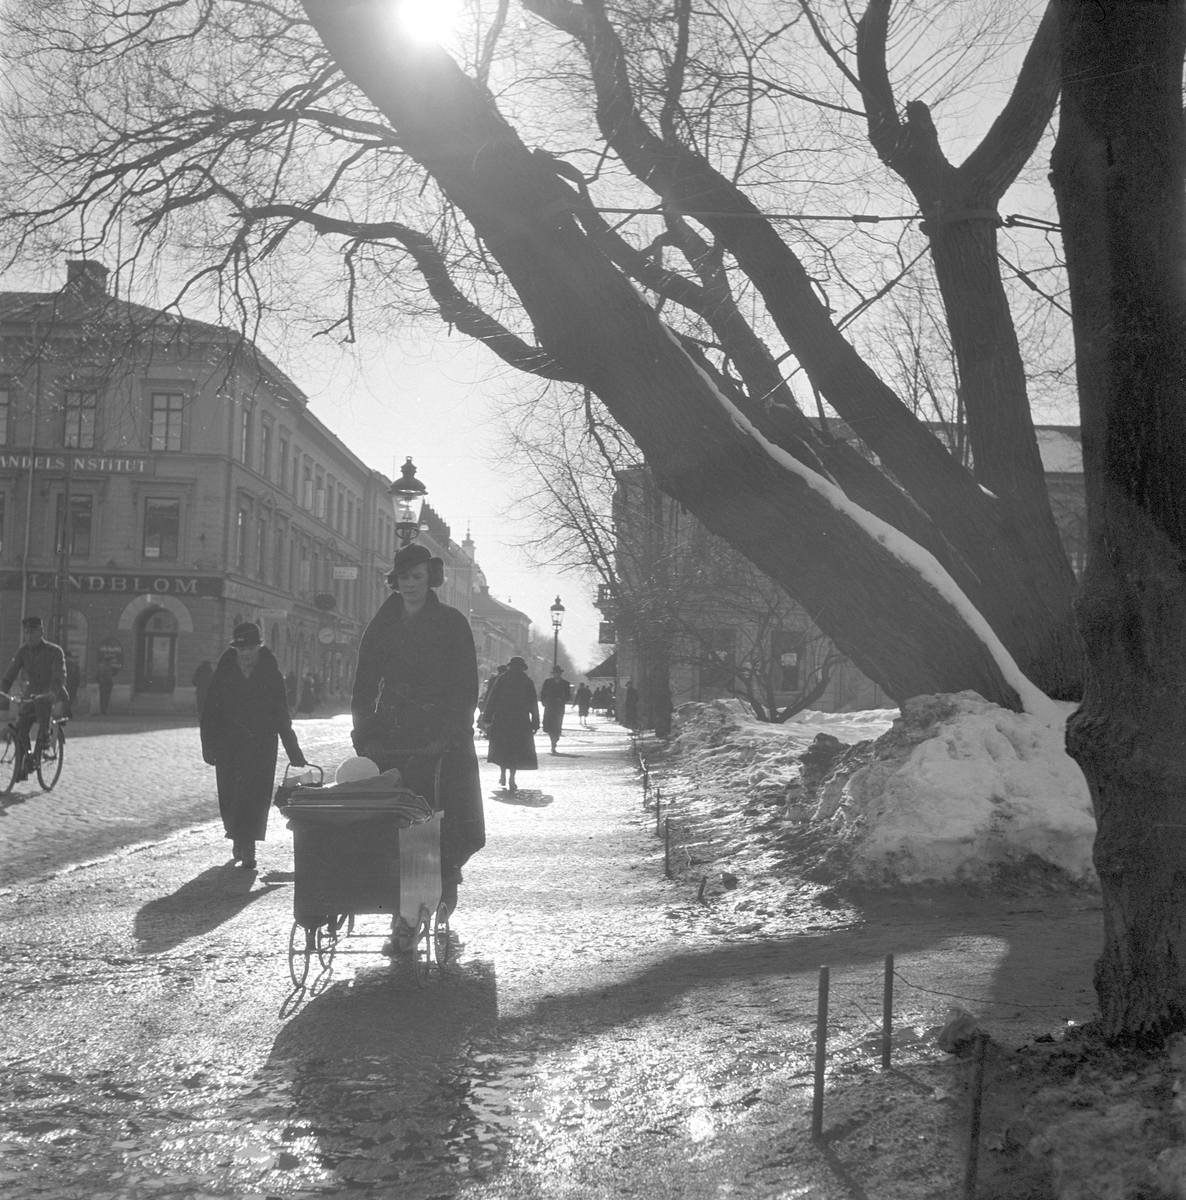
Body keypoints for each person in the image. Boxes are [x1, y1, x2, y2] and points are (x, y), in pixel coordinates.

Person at [351, 542, 484, 916]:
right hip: (392, 736)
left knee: (446, 814)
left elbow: (465, 687)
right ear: (395, 580)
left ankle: (447, 878)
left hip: (440, 736)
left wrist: (449, 735)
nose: (410, 584)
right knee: (390, 820)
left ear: (430, 578)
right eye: (403, 577)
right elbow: (363, 688)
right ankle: (400, 902)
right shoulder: (381, 625)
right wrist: (367, 737)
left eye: (417, 576)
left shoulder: (452, 623)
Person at [199, 622, 307, 870]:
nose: (246, 654)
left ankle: (248, 844)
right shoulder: (224, 672)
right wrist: (208, 745)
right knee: (231, 794)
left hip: (261, 745)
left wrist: (293, 750)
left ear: (259, 647)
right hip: (228, 745)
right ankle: (237, 836)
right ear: (235, 650)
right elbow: (209, 712)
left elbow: (282, 714)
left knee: (255, 795)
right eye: (241, 649)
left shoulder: (271, 673)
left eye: (250, 649)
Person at [0, 616, 67, 781]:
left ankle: (45, 736)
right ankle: (26, 762)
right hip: (32, 691)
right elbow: (11, 673)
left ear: (41, 632)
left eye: (33, 632)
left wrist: (52, 692)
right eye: (27, 632)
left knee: (41, 702)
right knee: (21, 726)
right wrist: (1, 691)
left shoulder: (54, 651)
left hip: (52, 691)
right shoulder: (23, 651)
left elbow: (58, 676)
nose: (29, 636)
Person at [481, 656, 539, 792]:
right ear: (522, 668)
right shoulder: (527, 681)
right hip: (520, 721)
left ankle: (502, 773)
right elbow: (533, 704)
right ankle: (512, 777)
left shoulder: (502, 679)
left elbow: (492, 699)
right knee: (515, 751)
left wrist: (487, 718)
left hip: (502, 719)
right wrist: (535, 723)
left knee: (502, 748)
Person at [539, 664, 571, 754]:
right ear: (553, 674)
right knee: (549, 725)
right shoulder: (548, 682)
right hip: (549, 706)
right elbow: (543, 693)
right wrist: (544, 701)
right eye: (555, 673)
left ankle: (555, 741)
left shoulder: (565, 683)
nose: (556, 674)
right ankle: (552, 741)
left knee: (557, 725)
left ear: (560, 674)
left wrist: (562, 700)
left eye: (558, 673)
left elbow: (568, 696)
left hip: (559, 707)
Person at [63, 651, 81, 718]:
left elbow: (77, 677)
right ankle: (66, 712)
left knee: (70, 700)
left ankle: (67, 712)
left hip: (72, 686)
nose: (68, 659)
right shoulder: (61, 665)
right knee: (65, 700)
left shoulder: (75, 666)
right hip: (64, 686)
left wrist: (76, 685)